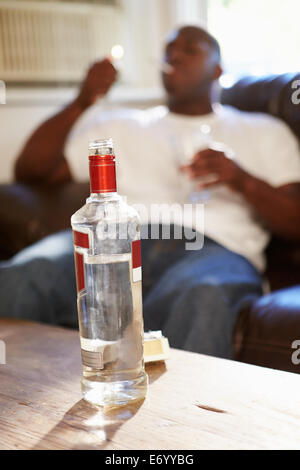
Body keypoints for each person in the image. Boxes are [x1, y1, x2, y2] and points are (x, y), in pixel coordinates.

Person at [3, 25, 300, 359]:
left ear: (217, 69)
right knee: (21, 276)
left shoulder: (263, 131)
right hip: (114, 240)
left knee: (203, 297)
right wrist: (82, 100)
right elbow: (29, 171)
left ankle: (180, 411)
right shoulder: (123, 125)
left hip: (214, 248)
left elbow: (294, 222)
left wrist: (241, 179)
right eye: (169, 48)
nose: (174, 53)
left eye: (190, 48)